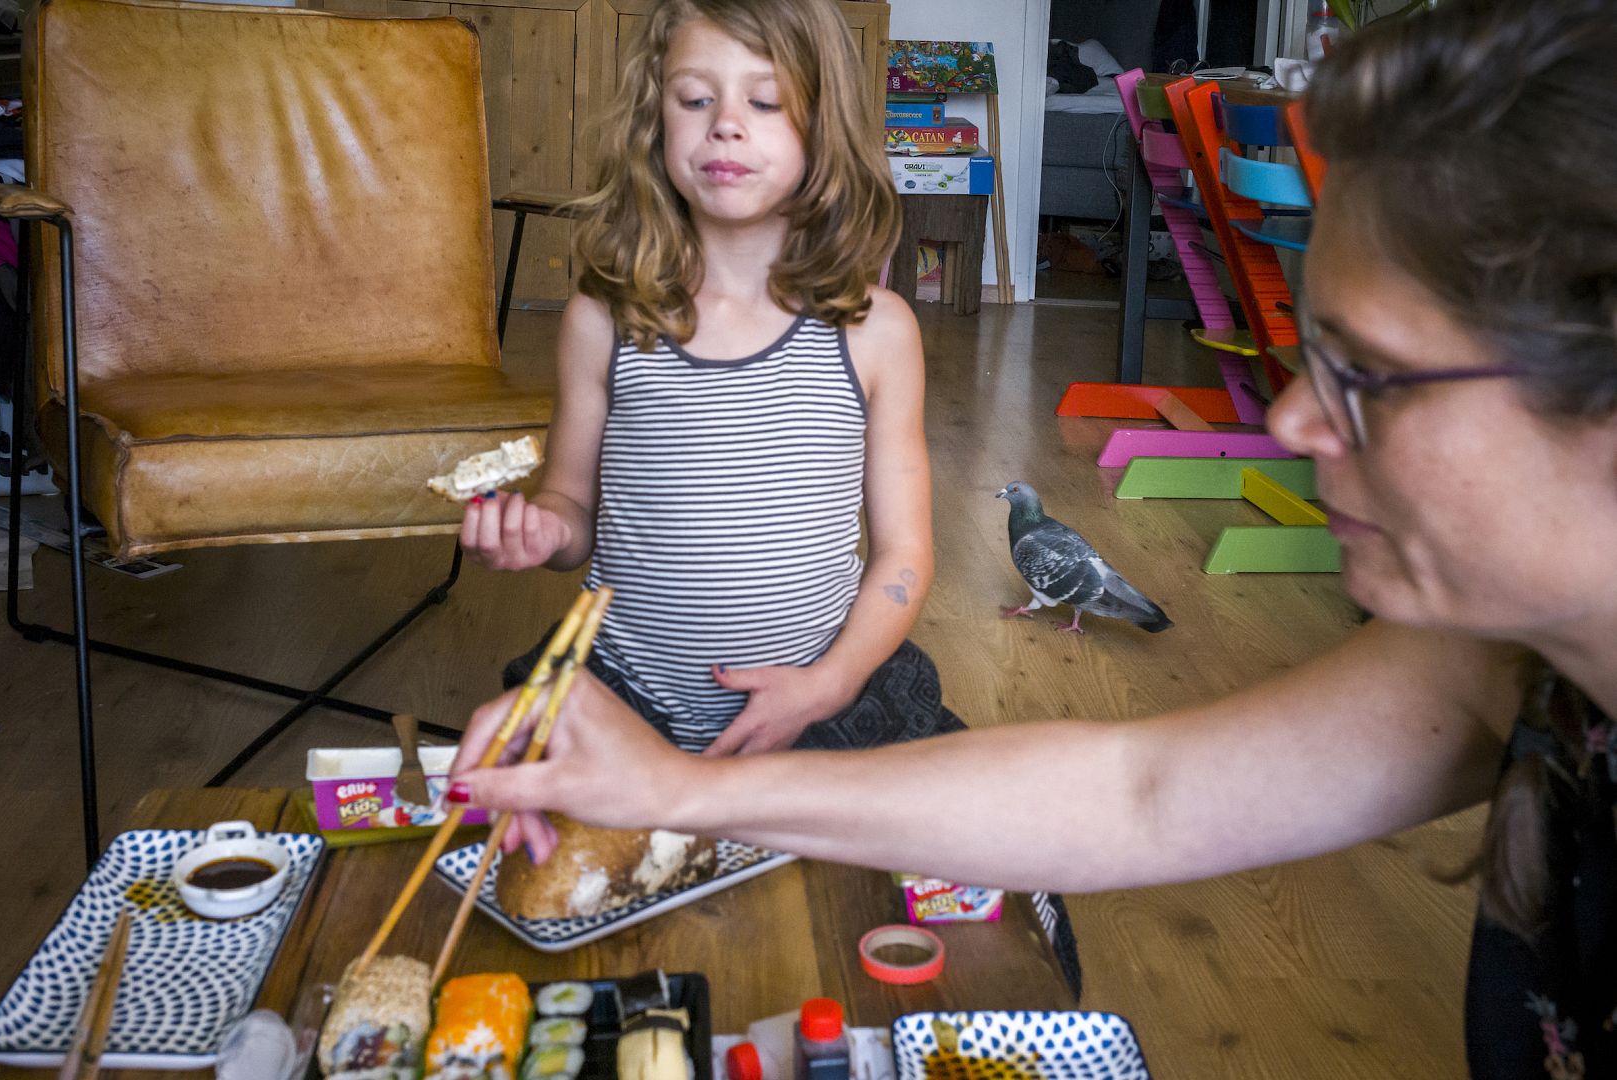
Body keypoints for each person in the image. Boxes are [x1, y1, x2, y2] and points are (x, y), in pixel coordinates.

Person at [453, 1, 1617, 1075]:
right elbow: (1140, 791)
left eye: (1369, 372)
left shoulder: (866, 331)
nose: (1292, 416)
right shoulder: (1510, 676)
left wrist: (755, 739)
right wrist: (673, 786)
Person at [461, 0, 953, 758]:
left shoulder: (877, 332)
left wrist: (832, 683)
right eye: (696, 99)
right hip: (626, 692)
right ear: (656, 123)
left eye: (764, 101)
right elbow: (571, 509)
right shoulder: (604, 321)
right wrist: (542, 529)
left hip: (818, 693)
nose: (726, 123)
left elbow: (903, 554)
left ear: (822, 130)